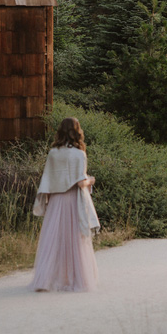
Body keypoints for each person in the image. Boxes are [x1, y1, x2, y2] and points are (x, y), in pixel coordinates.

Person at [29, 117, 100, 292]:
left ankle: (46, 280)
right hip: (72, 200)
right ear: (77, 131)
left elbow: (48, 179)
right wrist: (90, 180)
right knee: (75, 240)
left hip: (56, 201)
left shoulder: (53, 153)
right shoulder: (79, 154)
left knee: (53, 239)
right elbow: (80, 182)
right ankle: (76, 279)